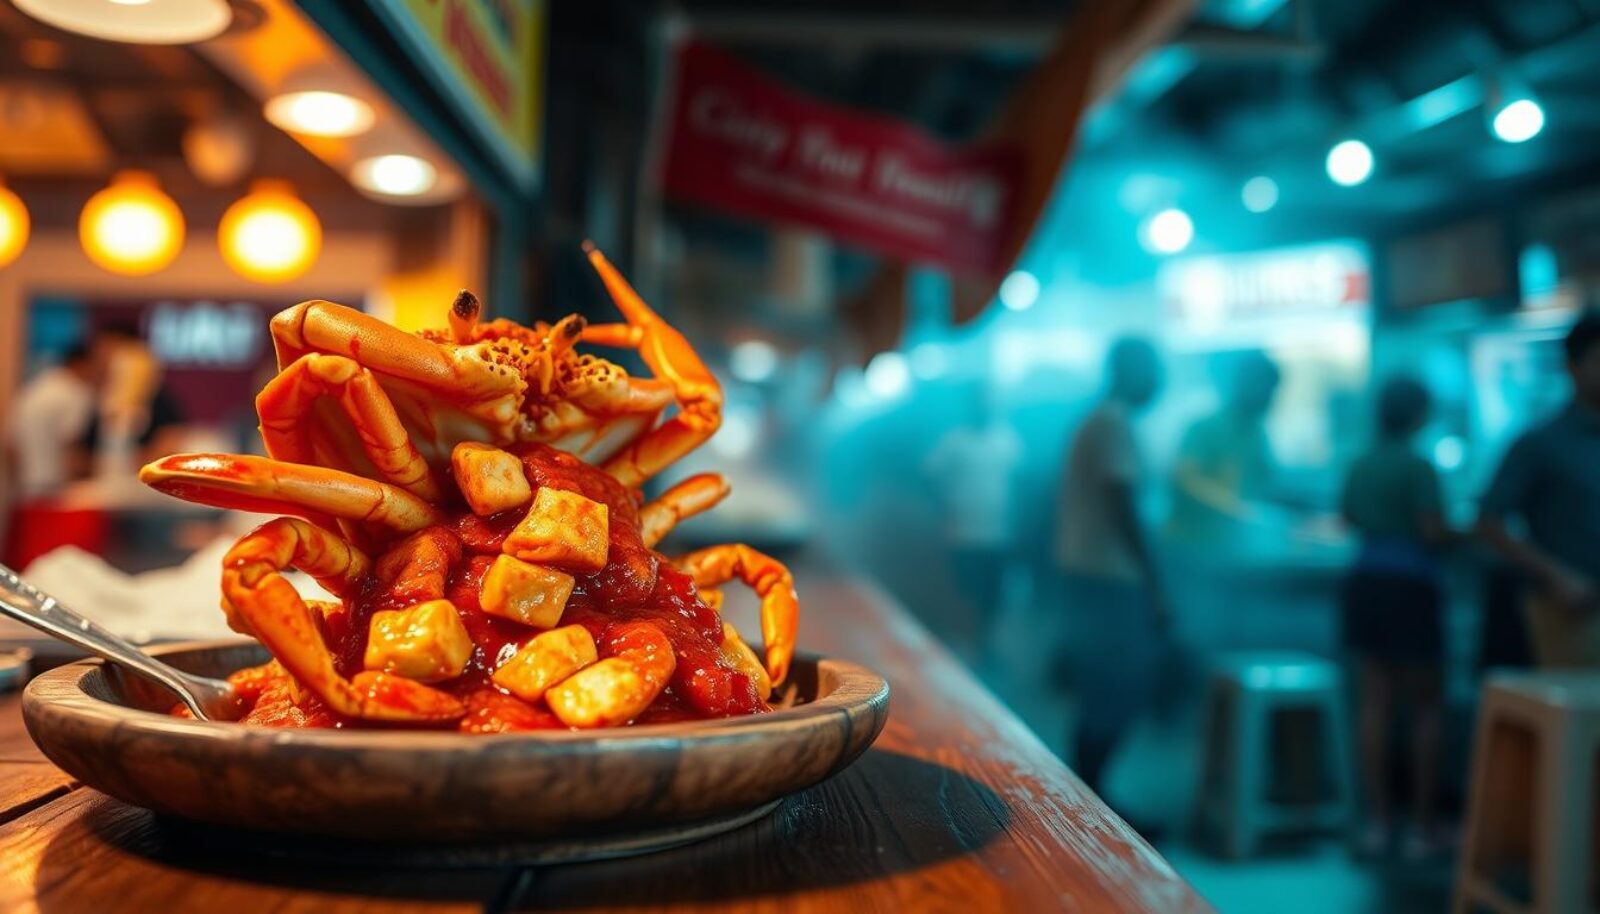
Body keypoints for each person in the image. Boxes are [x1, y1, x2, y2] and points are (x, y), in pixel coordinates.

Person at [1339, 376, 1452, 858]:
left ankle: (1379, 823)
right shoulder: (1419, 465)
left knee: (1374, 704)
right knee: (1425, 706)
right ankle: (1422, 828)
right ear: (1420, 415)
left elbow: (1348, 517)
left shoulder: (1362, 463)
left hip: (1365, 582)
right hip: (1411, 586)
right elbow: (1433, 531)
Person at [1053, 336, 1168, 794]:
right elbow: (1122, 505)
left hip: (1091, 574)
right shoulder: (1112, 423)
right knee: (1115, 691)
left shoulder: (1103, 421)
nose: (1159, 381)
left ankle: (1093, 794)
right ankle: (1091, 796)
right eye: (1153, 369)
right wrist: (1156, 585)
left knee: (1103, 692)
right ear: (1128, 371)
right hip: (1106, 578)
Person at [1478, 311, 1600, 668]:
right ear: (1573, 368)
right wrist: (1557, 576)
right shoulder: (1542, 443)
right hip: (1570, 610)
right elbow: (1489, 522)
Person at [924, 388, 1022, 662]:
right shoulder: (955, 441)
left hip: (999, 534)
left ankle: (984, 646)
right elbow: (930, 476)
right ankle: (963, 645)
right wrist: (943, 508)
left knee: (992, 596)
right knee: (965, 591)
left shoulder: (1006, 440)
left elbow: (1018, 482)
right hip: (962, 533)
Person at [1167, 351, 1282, 543]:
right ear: (1242, 384)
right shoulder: (1203, 428)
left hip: (1234, 539)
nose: (1269, 397)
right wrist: (1235, 507)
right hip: (1192, 539)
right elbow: (1185, 480)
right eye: (1265, 387)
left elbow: (1264, 482)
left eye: (1273, 390)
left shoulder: (1257, 434)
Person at [6, 342, 104, 502]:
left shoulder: (33, 389)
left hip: (25, 489)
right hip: (57, 491)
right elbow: (72, 449)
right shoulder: (76, 392)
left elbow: (10, 448)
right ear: (82, 364)